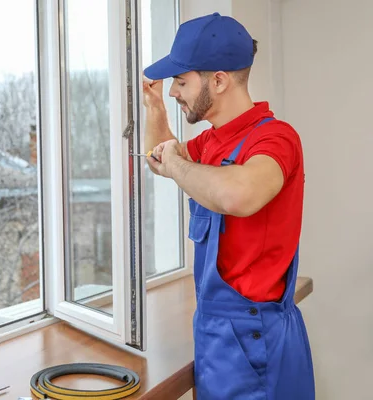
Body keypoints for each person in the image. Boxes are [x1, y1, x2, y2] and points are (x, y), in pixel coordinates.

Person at [142, 12, 315, 400]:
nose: (174, 91)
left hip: (257, 341)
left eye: (181, 82)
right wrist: (155, 110)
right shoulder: (214, 142)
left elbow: (239, 194)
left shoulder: (276, 140)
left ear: (218, 80)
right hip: (215, 334)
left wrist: (174, 162)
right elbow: (164, 161)